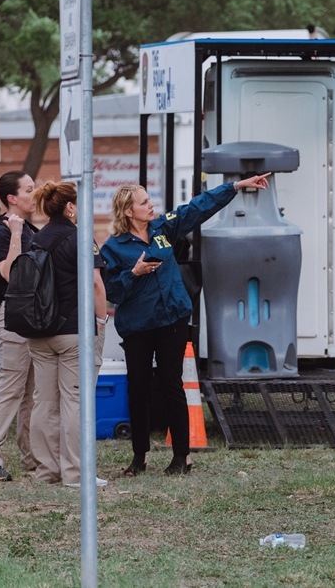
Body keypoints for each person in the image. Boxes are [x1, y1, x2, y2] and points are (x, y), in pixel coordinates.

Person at [101, 173, 270, 477]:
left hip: (172, 320)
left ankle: (183, 457)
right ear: (129, 211)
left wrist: (235, 187)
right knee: (138, 390)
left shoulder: (162, 227)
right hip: (138, 326)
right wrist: (135, 272)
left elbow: (197, 207)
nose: (150, 204)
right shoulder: (113, 247)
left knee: (172, 385)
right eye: (144, 202)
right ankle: (139, 457)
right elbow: (112, 292)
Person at [26, 181, 108, 488]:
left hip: (39, 331)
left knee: (44, 402)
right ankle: (75, 473)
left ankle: (47, 470)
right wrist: (101, 321)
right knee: (75, 402)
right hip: (74, 331)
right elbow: (97, 285)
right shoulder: (80, 238)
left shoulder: (36, 239)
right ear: (71, 207)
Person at [0, 172, 39, 482]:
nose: (35, 193)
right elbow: (10, 273)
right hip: (11, 316)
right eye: (29, 189)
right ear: (12, 198)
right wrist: (14, 233)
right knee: (11, 387)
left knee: (31, 392)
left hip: (31, 317)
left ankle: (32, 456)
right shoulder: (1, 232)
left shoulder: (30, 228)